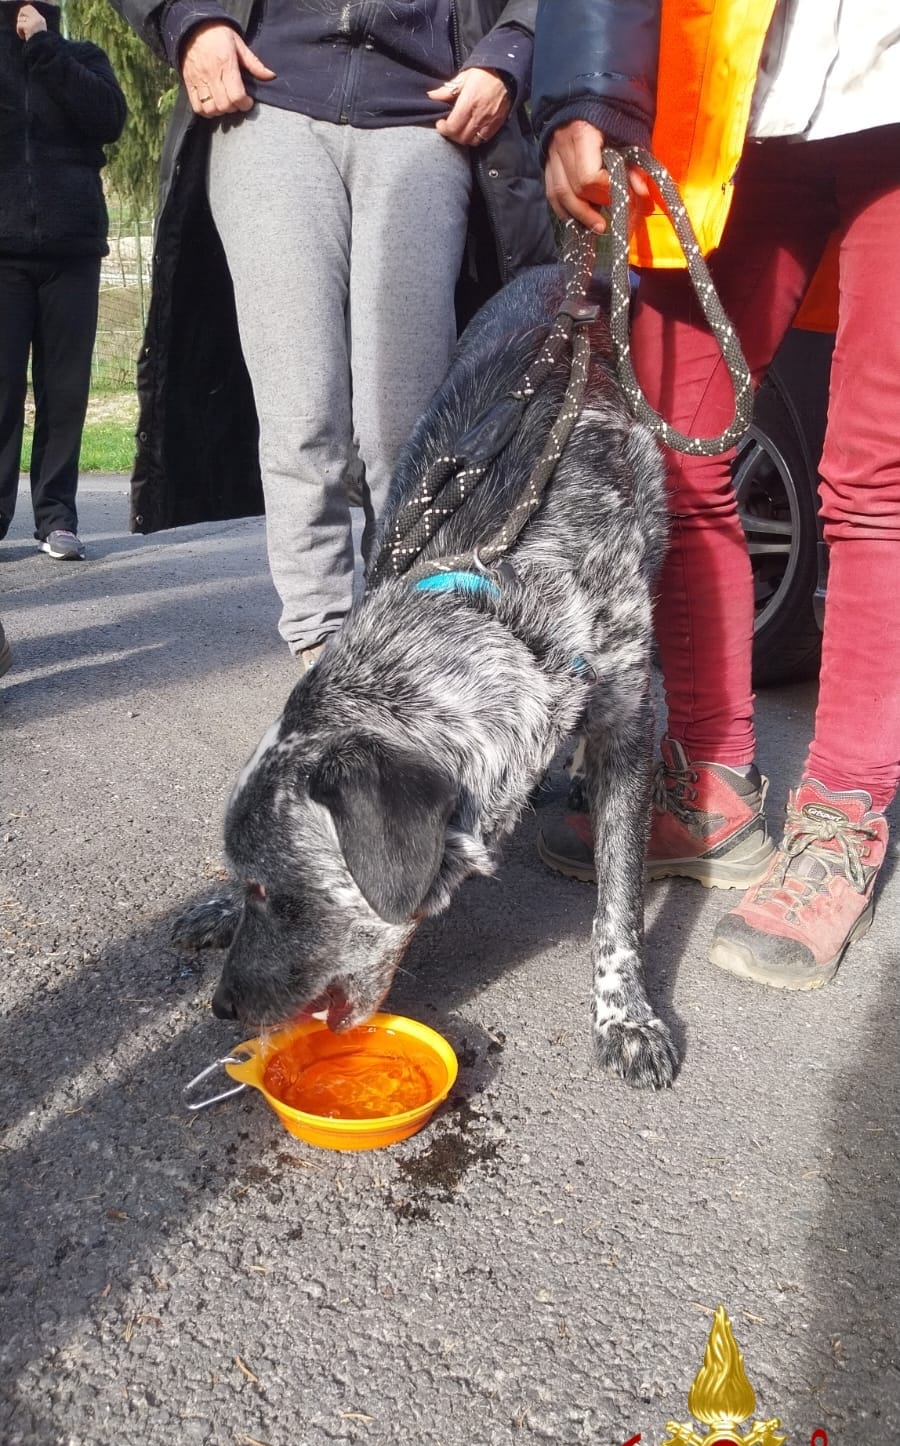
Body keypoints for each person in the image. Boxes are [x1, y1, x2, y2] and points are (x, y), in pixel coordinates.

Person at [530, 0, 900, 991]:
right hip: (740, 106)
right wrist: (584, 89)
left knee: (877, 479)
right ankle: (712, 787)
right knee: (669, 443)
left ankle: (841, 815)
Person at [110, 0, 555, 668]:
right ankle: (321, 646)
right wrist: (187, 21)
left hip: (425, 111)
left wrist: (514, 48)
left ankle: (405, 636)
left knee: (402, 431)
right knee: (301, 411)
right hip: (268, 103)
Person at [0, 0, 126, 560]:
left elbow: (108, 120)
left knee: (65, 392)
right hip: (2, 255)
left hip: (72, 250)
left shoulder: (81, 57)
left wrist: (46, 48)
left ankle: (56, 518)